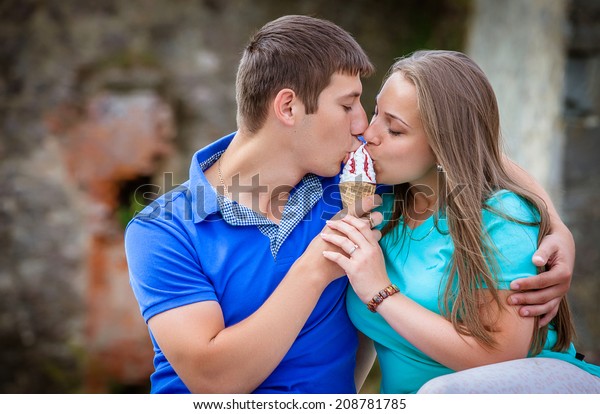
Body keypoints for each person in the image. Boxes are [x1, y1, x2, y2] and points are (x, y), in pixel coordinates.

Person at [125, 16, 573, 394]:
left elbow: (462, 150)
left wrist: (555, 228)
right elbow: (213, 380)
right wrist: (317, 266)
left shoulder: (353, 183)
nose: (364, 125)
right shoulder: (162, 229)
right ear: (288, 107)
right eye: (349, 104)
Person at [321, 50, 600, 393]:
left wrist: (380, 292)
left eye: (394, 129)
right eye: (377, 112)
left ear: (443, 145)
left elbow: (500, 355)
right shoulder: (377, 208)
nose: (369, 133)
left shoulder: (501, 218)